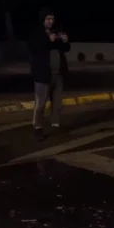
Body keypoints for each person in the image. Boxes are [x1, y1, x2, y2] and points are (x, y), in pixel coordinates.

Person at [27, 8, 70, 140]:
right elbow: (34, 49)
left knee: (57, 103)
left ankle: (55, 125)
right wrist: (48, 41)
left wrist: (65, 41)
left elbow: (66, 49)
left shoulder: (55, 32)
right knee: (40, 104)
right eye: (48, 19)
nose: (50, 21)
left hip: (58, 74)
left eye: (52, 19)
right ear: (43, 20)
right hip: (43, 75)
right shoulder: (36, 33)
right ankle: (38, 127)